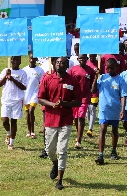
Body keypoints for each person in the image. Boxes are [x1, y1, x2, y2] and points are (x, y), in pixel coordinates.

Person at [38, 57, 82, 190]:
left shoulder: (72, 81)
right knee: (49, 150)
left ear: (67, 65)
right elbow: (40, 98)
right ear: (54, 64)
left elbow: (78, 101)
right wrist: (52, 104)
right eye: (57, 62)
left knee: (62, 150)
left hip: (65, 120)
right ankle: (55, 163)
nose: (59, 64)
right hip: (51, 119)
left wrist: (65, 104)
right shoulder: (47, 79)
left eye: (62, 62)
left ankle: (60, 179)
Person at [92, 58, 127, 164]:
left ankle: (113, 150)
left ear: (116, 67)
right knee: (103, 129)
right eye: (108, 68)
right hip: (104, 109)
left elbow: (123, 96)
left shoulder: (121, 80)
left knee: (114, 130)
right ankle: (100, 154)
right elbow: (93, 90)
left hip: (115, 109)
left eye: (112, 68)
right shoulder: (102, 77)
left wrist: (123, 109)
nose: (110, 70)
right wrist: (95, 77)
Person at [0, 56, 27, 150]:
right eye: (14, 60)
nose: (16, 62)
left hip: (17, 100)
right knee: (5, 120)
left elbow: (24, 87)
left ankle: (11, 143)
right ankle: (9, 133)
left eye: (18, 60)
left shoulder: (22, 73)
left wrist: (13, 79)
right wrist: (6, 77)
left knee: (14, 121)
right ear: (11, 61)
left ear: (20, 62)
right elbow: (0, 84)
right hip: (6, 99)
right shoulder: (5, 70)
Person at [68, 54, 96, 149]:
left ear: (86, 59)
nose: (82, 60)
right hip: (74, 97)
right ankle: (78, 134)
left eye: (84, 58)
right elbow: (68, 82)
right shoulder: (73, 70)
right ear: (78, 59)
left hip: (85, 97)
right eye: (80, 58)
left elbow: (92, 83)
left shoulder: (90, 71)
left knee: (81, 117)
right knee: (75, 117)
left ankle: (79, 140)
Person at [39, 57, 58, 158]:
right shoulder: (46, 74)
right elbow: (40, 88)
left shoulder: (63, 75)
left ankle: (56, 148)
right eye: (55, 63)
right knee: (47, 128)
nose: (57, 65)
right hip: (47, 107)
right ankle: (46, 149)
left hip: (60, 108)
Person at [23, 53, 44, 139]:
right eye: (31, 59)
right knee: (28, 113)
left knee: (31, 111)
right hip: (26, 93)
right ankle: (29, 131)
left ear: (36, 60)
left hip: (35, 93)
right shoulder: (24, 70)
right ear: (29, 59)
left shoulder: (40, 70)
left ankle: (33, 131)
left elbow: (42, 82)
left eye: (34, 59)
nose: (32, 60)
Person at [86, 54, 98, 137]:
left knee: (92, 108)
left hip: (95, 89)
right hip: (87, 90)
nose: (92, 58)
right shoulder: (86, 63)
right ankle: (89, 125)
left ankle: (90, 128)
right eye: (91, 56)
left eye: (93, 56)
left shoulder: (99, 63)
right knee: (87, 110)